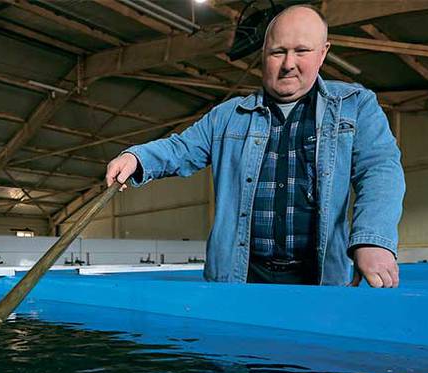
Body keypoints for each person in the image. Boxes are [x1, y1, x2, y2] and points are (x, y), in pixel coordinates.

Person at [106, 4, 405, 287]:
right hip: (240, 279)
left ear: (323, 53)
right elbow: (181, 149)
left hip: (318, 279)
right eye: (278, 52)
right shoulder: (227, 117)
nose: (289, 64)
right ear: (263, 53)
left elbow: (379, 170)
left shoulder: (355, 106)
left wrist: (371, 239)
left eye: (302, 51)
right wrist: (136, 157)